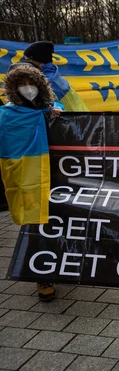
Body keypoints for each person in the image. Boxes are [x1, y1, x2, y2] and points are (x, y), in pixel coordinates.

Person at [1, 63, 64, 302]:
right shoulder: (6, 116)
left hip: (55, 176)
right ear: (13, 89)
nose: (28, 89)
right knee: (35, 226)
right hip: (27, 178)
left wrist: (55, 111)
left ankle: (60, 265)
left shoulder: (48, 109)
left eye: (32, 84)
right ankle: (41, 275)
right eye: (21, 85)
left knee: (58, 222)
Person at [23, 41, 88, 112]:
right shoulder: (55, 75)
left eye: (28, 60)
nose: (26, 63)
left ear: (38, 60)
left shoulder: (46, 82)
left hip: (70, 120)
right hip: (81, 118)